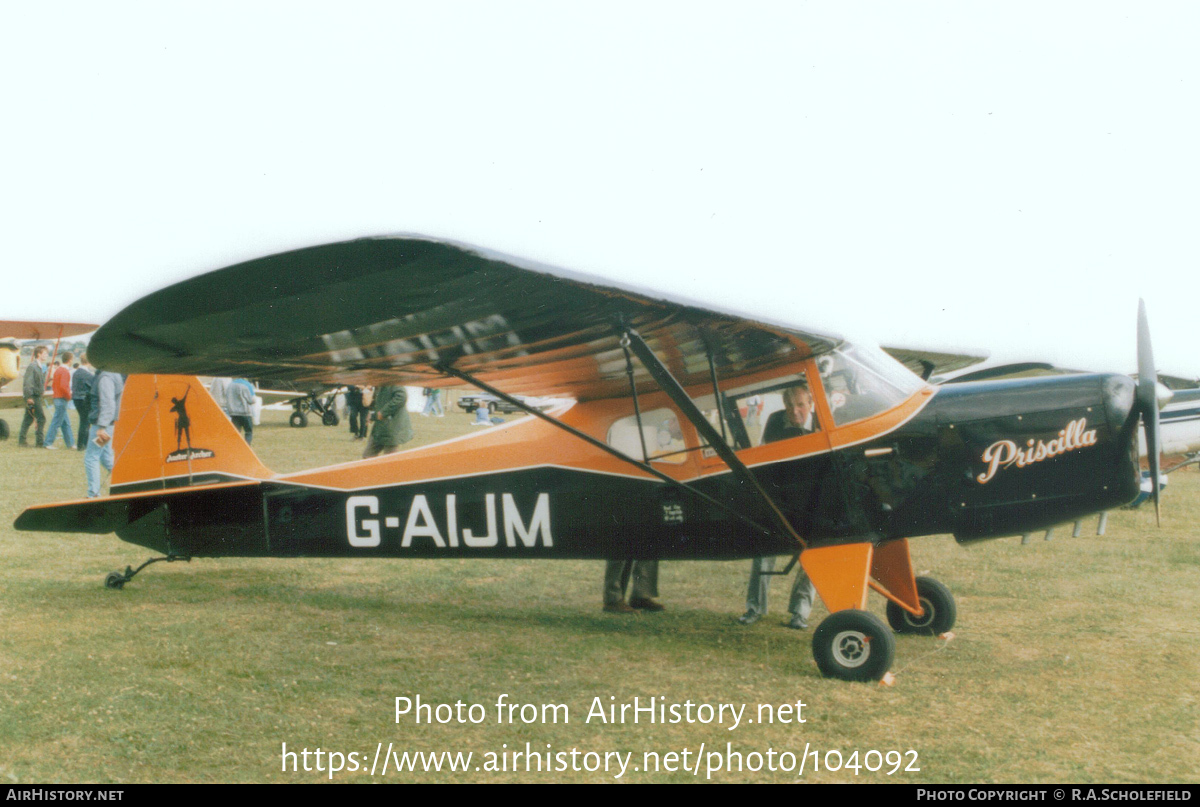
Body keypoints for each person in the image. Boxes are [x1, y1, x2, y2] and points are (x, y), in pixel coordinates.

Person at [739, 383, 819, 629]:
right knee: (764, 551)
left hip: (813, 501)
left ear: (811, 404)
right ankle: (754, 607)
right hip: (781, 499)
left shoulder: (821, 422)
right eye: (789, 406)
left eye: (800, 405)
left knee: (814, 555)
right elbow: (765, 458)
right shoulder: (775, 422)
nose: (794, 411)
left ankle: (800, 612)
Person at [85, 370, 124, 498]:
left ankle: (93, 494)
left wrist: (101, 427)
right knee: (106, 457)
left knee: (91, 458)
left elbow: (108, 404)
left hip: (101, 425)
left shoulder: (105, 377)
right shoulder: (114, 374)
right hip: (108, 424)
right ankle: (127, 481)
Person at [362, 384, 413, 459]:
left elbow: (401, 397)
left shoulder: (394, 382)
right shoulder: (379, 385)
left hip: (392, 427)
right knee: (368, 456)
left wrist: (383, 412)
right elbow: (378, 403)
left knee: (390, 458)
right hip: (380, 428)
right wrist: (372, 415)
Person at [43, 351, 75, 449]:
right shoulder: (65, 371)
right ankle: (48, 442)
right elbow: (64, 386)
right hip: (62, 399)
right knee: (57, 422)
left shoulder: (58, 370)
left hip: (57, 398)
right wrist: (69, 396)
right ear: (70, 360)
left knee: (65, 422)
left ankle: (70, 443)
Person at [18, 346, 49, 447]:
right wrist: (29, 397)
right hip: (33, 397)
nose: (46, 355)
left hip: (36, 395)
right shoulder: (33, 366)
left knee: (28, 419)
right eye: (45, 353)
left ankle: (21, 441)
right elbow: (28, 383)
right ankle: (39, 442)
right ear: (39, 354)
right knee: (41, 418)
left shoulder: (39, 366)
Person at [72, 355, 95, 451]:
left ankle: (82, 444)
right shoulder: (87, 374)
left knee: (83, 421)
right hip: (84, 399)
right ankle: (82, 444)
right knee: (85, 422)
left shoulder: (76, 372)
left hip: (76, 398)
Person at [227, 378, 257, 443]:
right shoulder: (247, 385)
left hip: (233, 413)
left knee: (236, 433)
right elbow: (251, 400)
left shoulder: (230, 385)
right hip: (245, 413)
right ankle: (247, 447)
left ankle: (235, 447)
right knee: (248, 432)